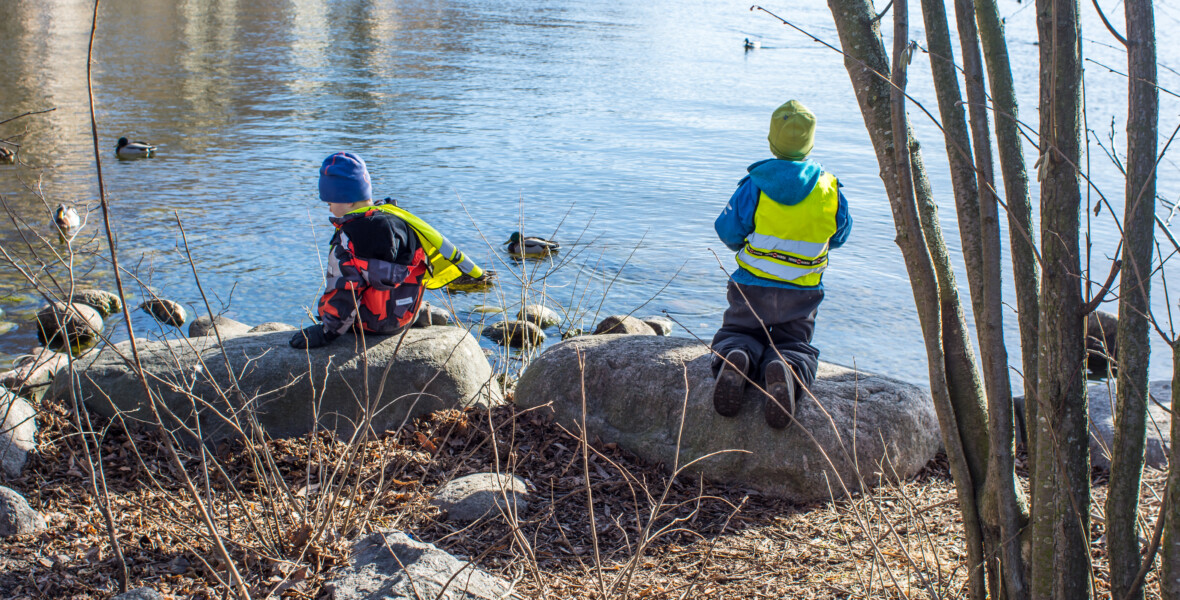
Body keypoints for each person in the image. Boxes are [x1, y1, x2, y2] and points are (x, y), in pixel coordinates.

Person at [710, 100, 852, 429]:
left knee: (738, 332)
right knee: (795, 344)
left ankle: (738, 356)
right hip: (802, 294)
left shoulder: (755, 184)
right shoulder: (830, 189)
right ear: (810, 144)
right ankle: (786, 367)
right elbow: (841, 235)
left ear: (772, 141)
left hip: (751, 286)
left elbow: (728, 231)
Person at [290, 152, 483, 349]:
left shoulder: (348, 237)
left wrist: (326, 333)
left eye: (330, 202)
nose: (329, 209)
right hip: (404, 318)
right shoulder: (405, 222)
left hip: (369, 326)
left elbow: (345, 290)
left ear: (348, 200)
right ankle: (415, 312)